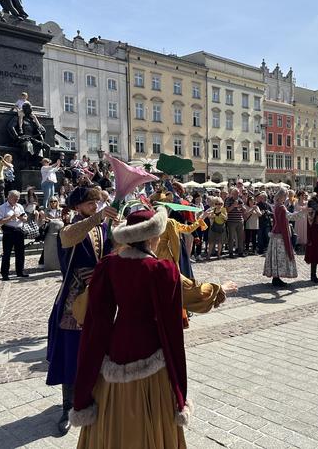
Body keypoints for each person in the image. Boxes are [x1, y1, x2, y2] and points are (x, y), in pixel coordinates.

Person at [69, 207, 190, 448]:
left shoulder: (108, 265)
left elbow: (97, 319)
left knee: (111, 407)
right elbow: (171, 325)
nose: (158, 239)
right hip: (151, 346)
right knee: (155, 411)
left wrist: (89, 368)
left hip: (117, 342)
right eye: (157, 235)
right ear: (148, 238)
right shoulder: (163, 270)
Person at [47, 187, 117, 435]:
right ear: (78, 207)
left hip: (98, 296)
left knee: (99, 348)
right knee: (70, 353)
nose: (95, 206)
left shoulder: (102, 227)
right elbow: (68, 238)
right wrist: (97, 217)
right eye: (90, 204)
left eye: (97, 203)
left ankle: (93, 396)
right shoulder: (70, 226)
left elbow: (110, 253)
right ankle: (68, 407)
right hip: (74, 300)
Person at [263, 188, 298, 287]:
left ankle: (276, 277)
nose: (286, 197)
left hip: (275, 235)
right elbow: (291, 217)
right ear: (281, 196)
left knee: (275, 256)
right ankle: (276, 278)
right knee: (279, 257)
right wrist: (302, 212)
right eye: (285, 196)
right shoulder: (281, 207)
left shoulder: (276, 206)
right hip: (280, 236)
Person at [0, 190, 29, 281]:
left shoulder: (19, 206)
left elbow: (25, 218)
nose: (16, 200)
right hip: (8, 231)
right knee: (7, 253)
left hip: (19, 231)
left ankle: (20, 271)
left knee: (20, 253)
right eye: (15, 198)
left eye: (17, 198)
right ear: (9, 197)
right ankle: (5, 273)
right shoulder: (2, 207)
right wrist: (10, 218)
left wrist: (21, 218)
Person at [224, 189, 245, 258]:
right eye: (235, 194)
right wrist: (233, 205)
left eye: (238, 194)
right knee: (231, 238)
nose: (237, 195)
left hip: (240, 221)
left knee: (240, 237)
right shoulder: (228, 200)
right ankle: (230, 252)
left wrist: (242, 207)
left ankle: (240, 252)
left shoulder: (240, 200)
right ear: (232, 194)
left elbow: (244, 210)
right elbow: (226, 210)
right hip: (231, 221)